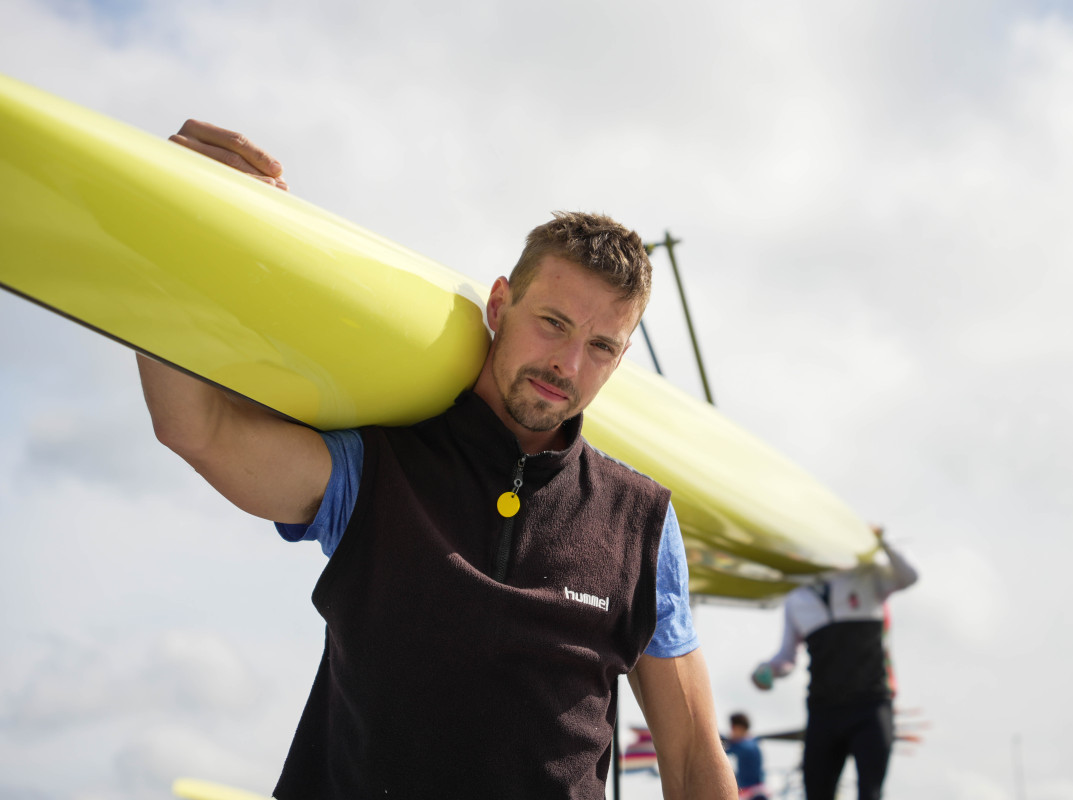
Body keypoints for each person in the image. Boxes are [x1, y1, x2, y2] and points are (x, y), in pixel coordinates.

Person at [142, 120, 737, 800]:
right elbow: (199, 427)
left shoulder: (641, 523)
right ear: (499, 304)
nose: (568, 365)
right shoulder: (381, 466)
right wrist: (177, 218)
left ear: (622, 358)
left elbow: (691, 753)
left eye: (601, 346)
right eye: (553, 324)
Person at [751, 526, 917, 800]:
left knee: (871, 793)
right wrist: (768, 670)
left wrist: (883, 540)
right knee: (817, 793)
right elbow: (786, 658)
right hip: (824, 711)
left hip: (871, 705)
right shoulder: (796, 599)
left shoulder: (865, 576)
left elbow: (910, 576)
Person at [724, 712, 769, 800]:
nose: (731, 732)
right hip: (753, 791)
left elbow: (725, 751)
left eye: (733, 728)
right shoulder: (753, 743)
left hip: (753, 793)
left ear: (739, 728)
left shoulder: (745, 745)